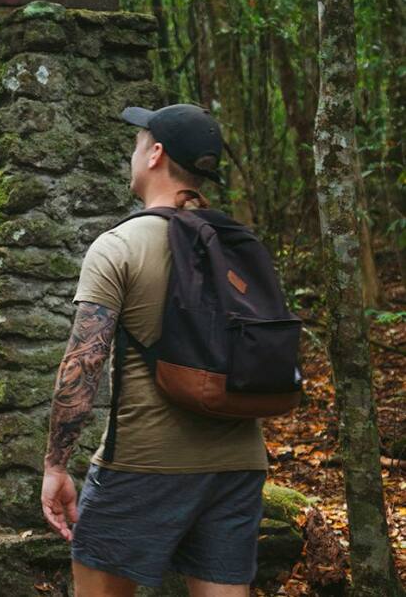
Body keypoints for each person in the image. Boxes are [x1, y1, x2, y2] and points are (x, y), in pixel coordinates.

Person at [40, 104, 268, 597]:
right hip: (239, 461)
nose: (134, 151)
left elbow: (81, 366)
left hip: (143, 464)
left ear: (155, 154)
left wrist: (56, 466)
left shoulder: (118, 247)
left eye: (138, 141)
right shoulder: (236, 243)